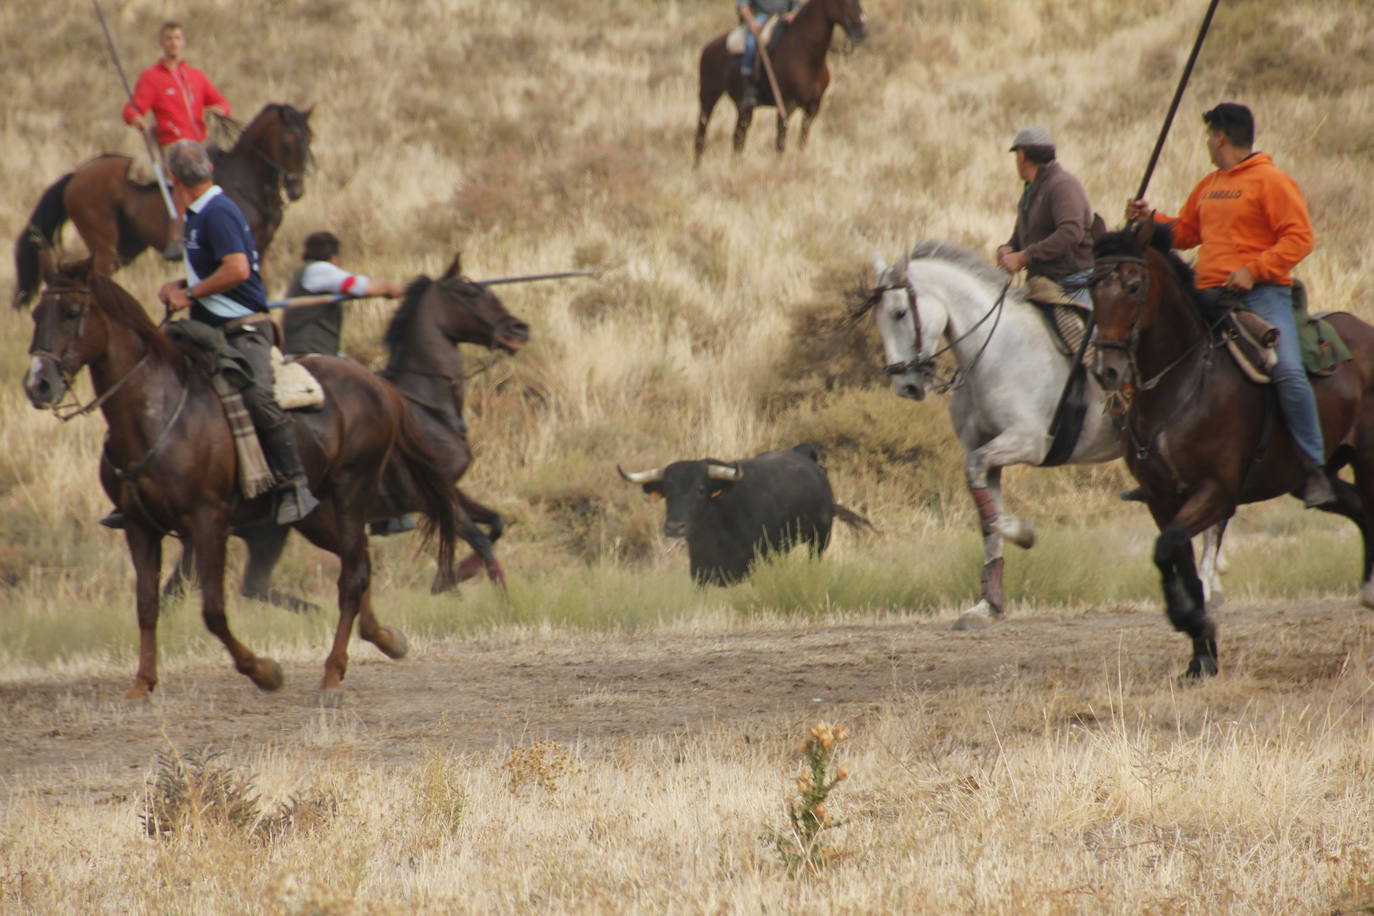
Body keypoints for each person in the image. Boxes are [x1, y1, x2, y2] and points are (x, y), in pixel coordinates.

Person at [100, 142, 318, 530]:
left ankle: (294, 483)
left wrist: (190, 293)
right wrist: (180, 283)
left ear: (173, 180)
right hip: (206, 327)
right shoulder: (198, 213)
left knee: (257, 395)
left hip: (243, 328)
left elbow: (236, 270)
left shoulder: (217, 213)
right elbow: (216, 270)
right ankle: (136, 488)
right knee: (147, 379)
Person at [1126, 102, 1334, 508]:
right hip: (1206, 295)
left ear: (1220, 136)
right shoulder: (1210, 184)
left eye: (1209, 135)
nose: (1207, 143)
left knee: (1288, 371)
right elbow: (1185, 233)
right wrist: (1150, 220)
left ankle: (1314, 469)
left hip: (1260, 295)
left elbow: (1299, 238)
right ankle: (1159, 468)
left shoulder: (1271, 182)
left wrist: (1254, 270)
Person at [996, 125, 1095, 308]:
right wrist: (1007, 249)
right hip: (1041, 284)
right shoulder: (1030, 190)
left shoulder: (1062, 185)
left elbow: (1071, 232)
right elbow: (1020, 238)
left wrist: (1024, 257)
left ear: (1022, 156)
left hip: (1072, 283)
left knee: (1083, 336)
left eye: (1017, 155)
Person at [280, 231, 405, 357]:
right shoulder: (320, 269)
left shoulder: (305, 271)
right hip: (311, 353)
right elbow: (358, 286)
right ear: (334, 257)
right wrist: (391, 288)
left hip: (309, 351)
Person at [121, 21, 230, 148]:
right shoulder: (151, 77)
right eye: (169, 39)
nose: (173, 43)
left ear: (183, 42)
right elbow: (130, 110)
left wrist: (221, 110)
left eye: (177, 38)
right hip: (174, 145)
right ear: (161, 43)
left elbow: (223, 103)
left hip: (200, 143)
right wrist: (136, 119)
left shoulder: (196, 76)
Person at [736, 0, 799, 107]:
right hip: (760, 18)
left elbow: (797, 6)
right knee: (751, 44)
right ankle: (748, 85)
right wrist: (752, 22)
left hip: (784, 19)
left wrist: (793, 14)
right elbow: (742, 5)